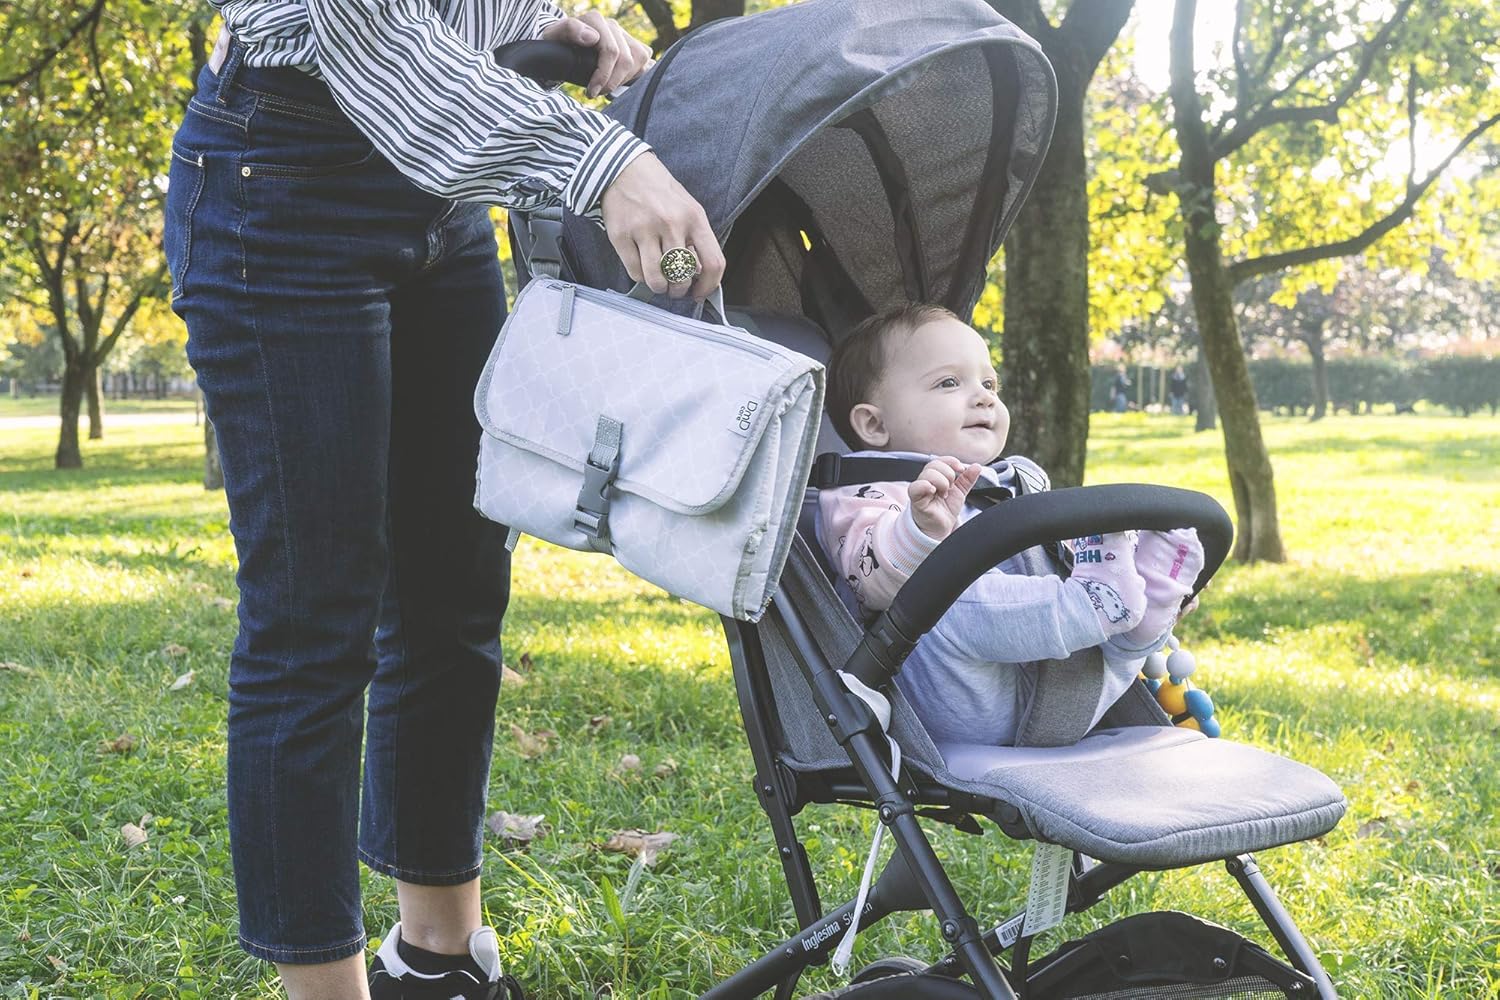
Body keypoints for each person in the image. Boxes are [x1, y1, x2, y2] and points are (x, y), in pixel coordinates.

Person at [163, 3, 724, 998]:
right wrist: (604, 163)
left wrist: (548, 20)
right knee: (314, 614)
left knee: (456, 593)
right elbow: (370, 35)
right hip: (282, 176)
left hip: (445, 188)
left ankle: (440, 958)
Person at [817, 304, 1203, 747]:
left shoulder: (1012, 482)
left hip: (1068, 694)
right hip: (960, 704)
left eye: (989, 383)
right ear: (874, 423)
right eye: (949, 383)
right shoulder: (865, 492)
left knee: (1074, 576)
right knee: (941, 593)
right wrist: (918, 529)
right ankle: (1100, 602)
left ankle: (1143, 613)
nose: (984, 397)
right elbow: (873, 579)